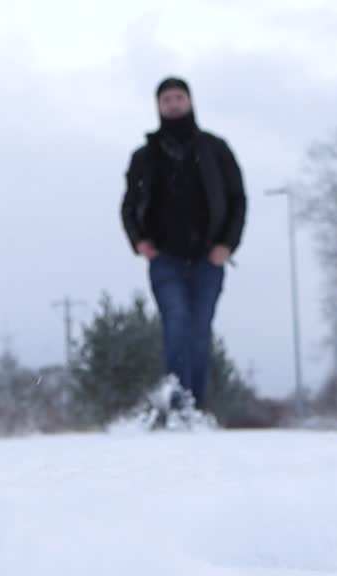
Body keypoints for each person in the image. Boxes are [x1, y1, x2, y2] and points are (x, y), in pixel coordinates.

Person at [120, 76, 247, 411]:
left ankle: (196, 407)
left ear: (189, 101)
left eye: (178, 97)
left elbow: (237, 200)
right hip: (166, 259)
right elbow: (129, 205)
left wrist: (227, 245)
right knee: (176, 323)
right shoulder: (145, 156)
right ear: (158, 106)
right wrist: (139, 241)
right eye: (166, 99)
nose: (173, 104)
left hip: (209, 258)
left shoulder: (215, 150)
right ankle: (177, 406)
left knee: (199, 330)